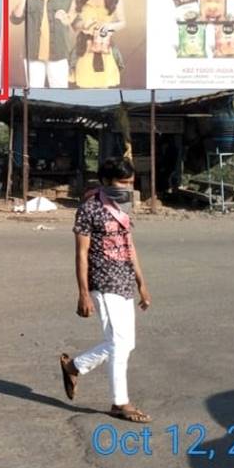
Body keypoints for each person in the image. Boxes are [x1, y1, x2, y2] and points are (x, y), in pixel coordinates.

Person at [60, 157, 152, 423]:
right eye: (121, 182)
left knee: (125, 343)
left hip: (124, 281)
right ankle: (120, 402)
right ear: (105, 181)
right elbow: (81, 253)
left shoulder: (122, 208)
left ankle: (75, 366)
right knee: (119, 343)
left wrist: (142, 283)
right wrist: (83, 293)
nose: (126, 187)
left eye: (130, 182)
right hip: (103, 281)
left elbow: (130, 247)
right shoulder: (89, 209)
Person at [10, 0, 76, 88]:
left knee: (60, 90)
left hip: (59, 53)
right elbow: (16, 18)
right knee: (33, 90)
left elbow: (75, 21)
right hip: (32, 54)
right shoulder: (30, 1)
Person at [71, 0, 126, 88]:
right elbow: (73, 24)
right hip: (85, 48)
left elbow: (122, 22)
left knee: (104, 86)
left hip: (105, 46)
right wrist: (84, 25)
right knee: (85, 86)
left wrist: (109, 27)